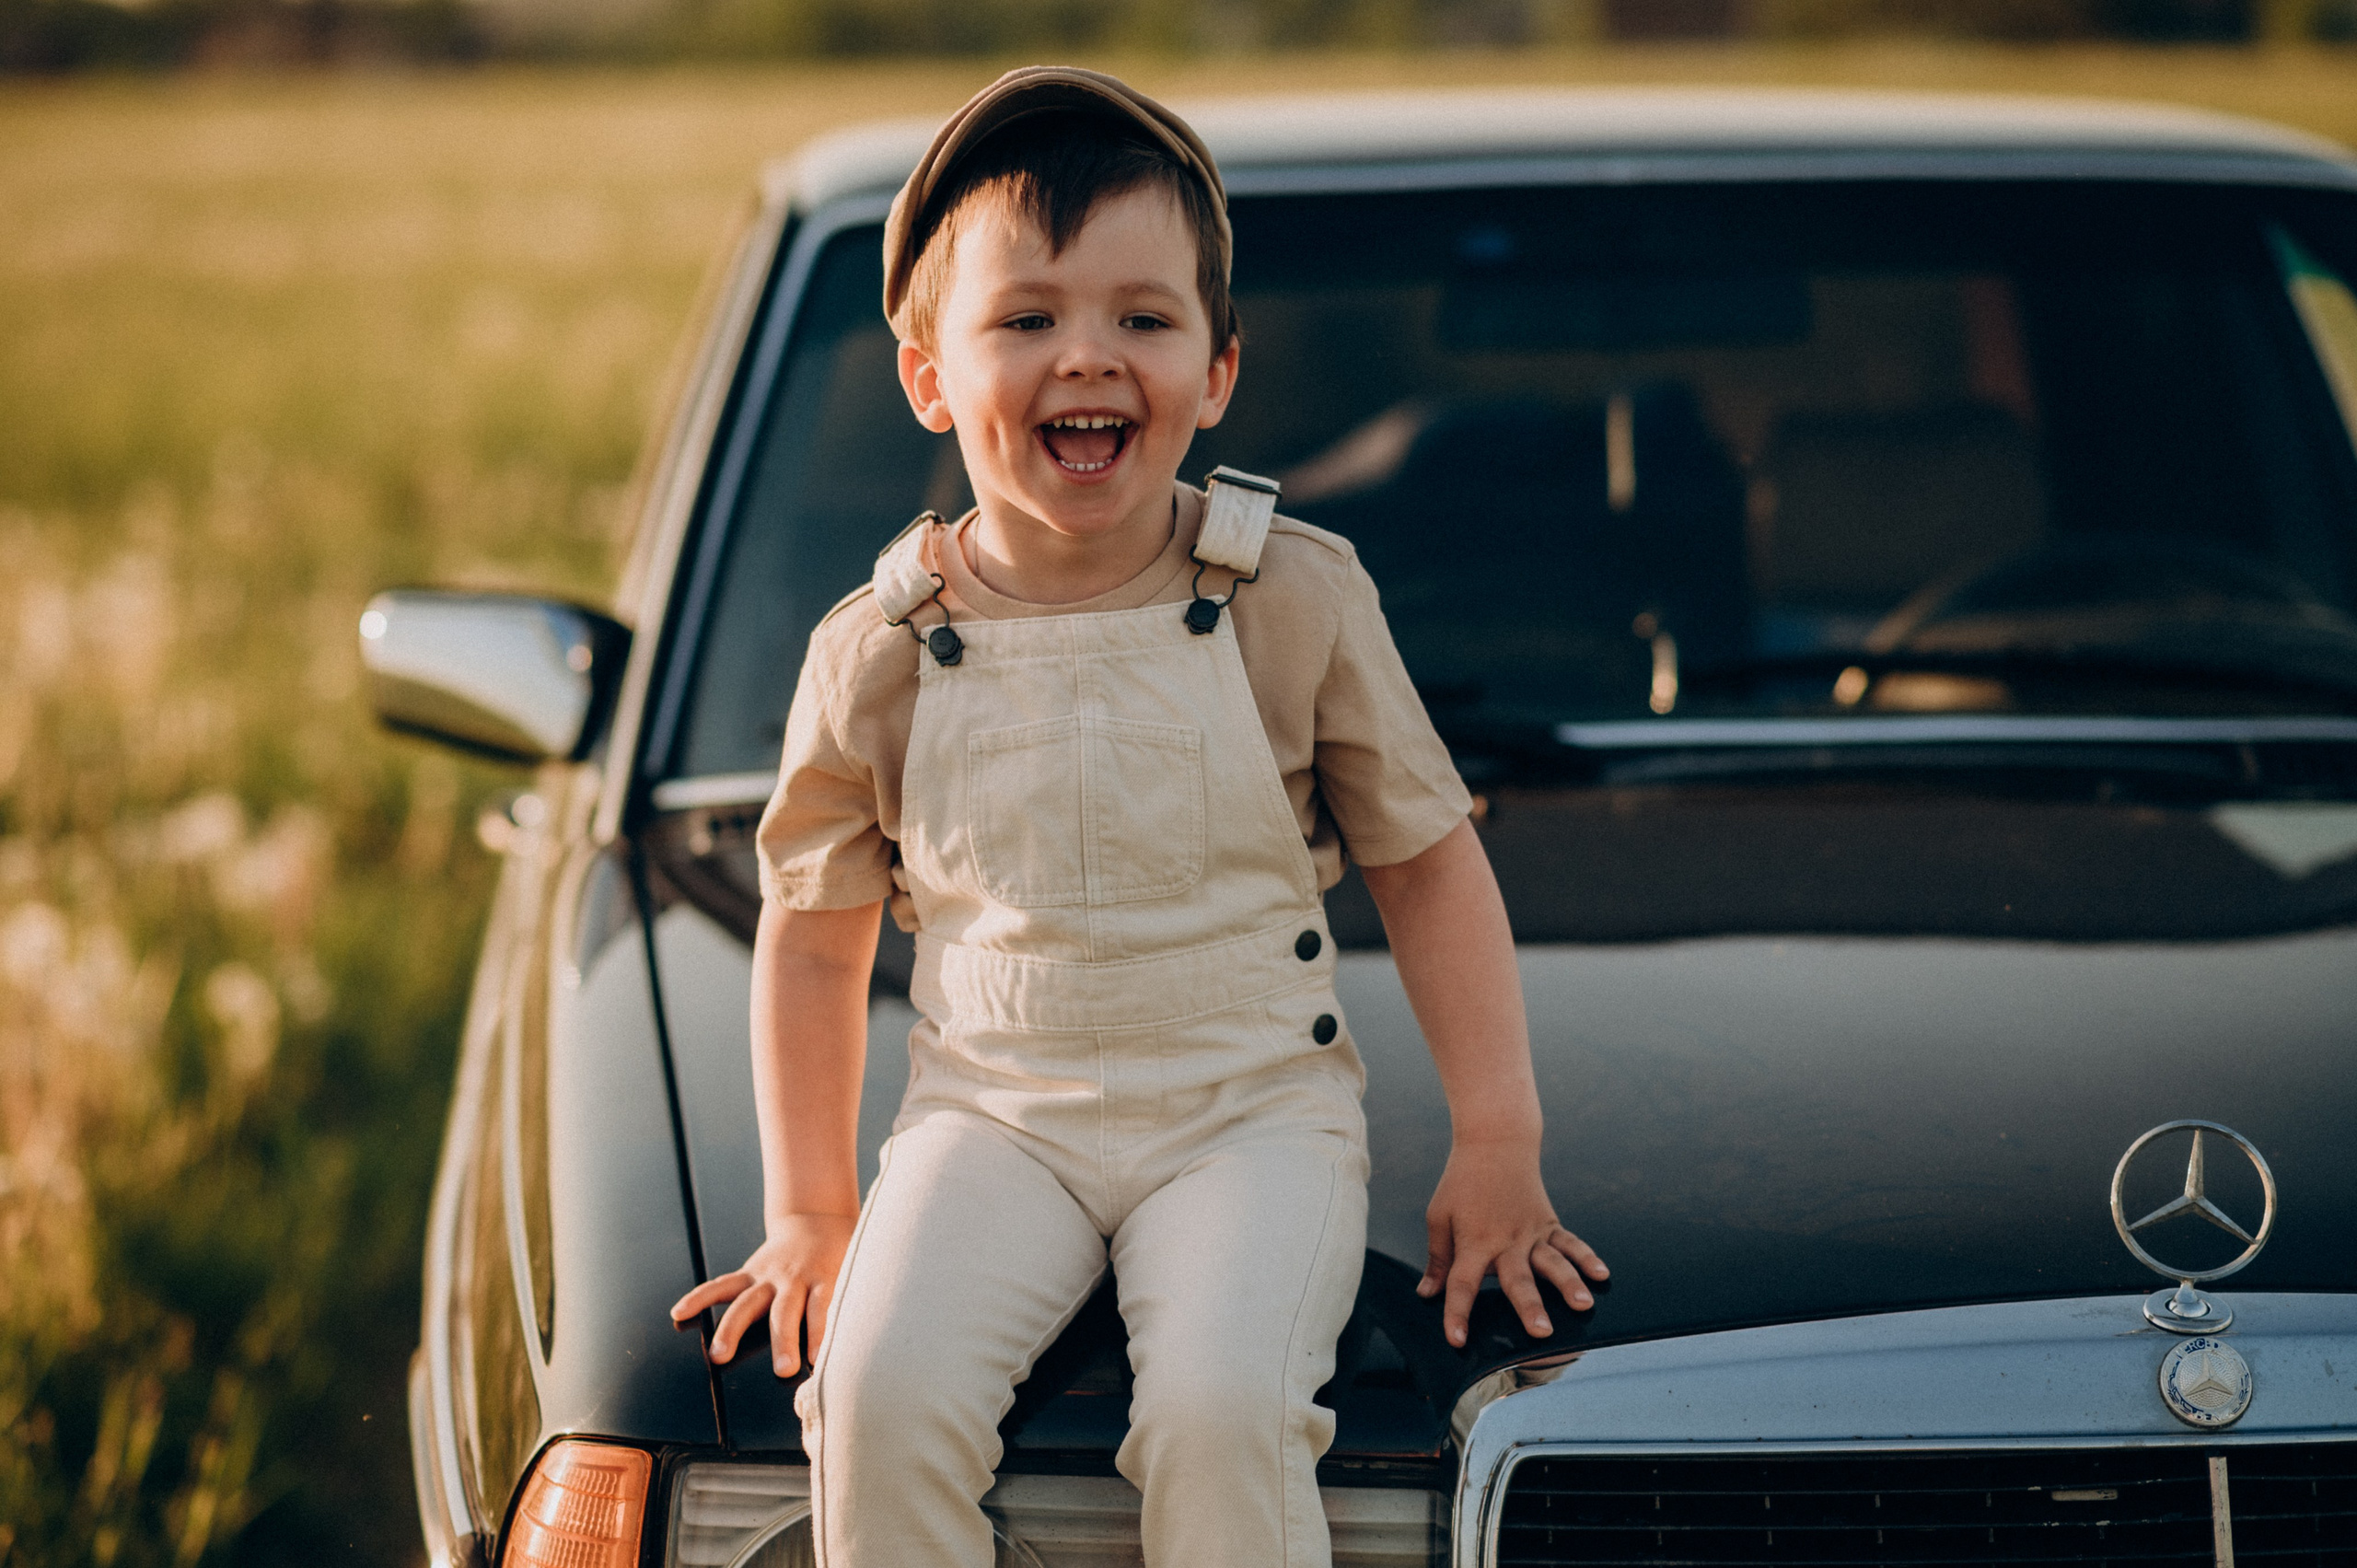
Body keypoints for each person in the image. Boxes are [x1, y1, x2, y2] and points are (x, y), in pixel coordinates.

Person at [669, 65, 1607, 1567]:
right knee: (872, 1396)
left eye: (1142, 319)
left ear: (1218, 371)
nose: (1086, 358)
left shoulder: (1291, 594)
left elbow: (1428, 865)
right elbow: (812, 929)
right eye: (1027, 318)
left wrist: (1498, 1139)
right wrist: (808, 1209)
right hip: (991, 1117)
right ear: (928, 374)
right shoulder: (880, 647)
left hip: (1250, 1117)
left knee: (1223, 1415)